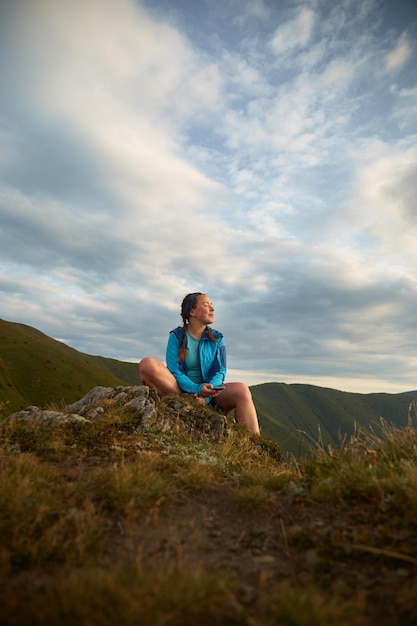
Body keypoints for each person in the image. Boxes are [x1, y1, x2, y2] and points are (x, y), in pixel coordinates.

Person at [139, 292, 260, 435]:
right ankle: (188, 401)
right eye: (206, 304)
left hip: (210, 396)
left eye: (212, 305)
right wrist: (196, 389)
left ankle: (255, 445)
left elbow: (219, 371)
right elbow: (175, 371)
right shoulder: (176, 337)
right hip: (179, 390)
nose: (212, 309)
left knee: (242, 390)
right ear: (192, 312)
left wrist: (206, 396)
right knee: (148, 364)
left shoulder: (217, 338)